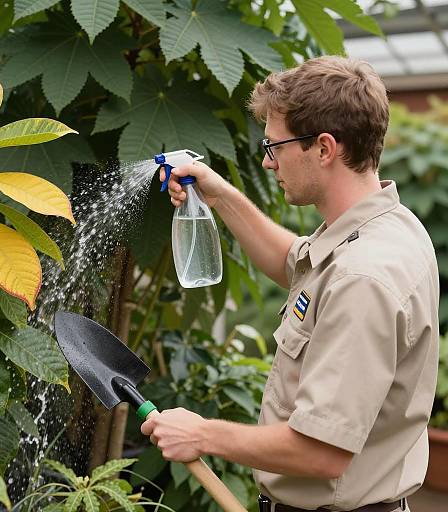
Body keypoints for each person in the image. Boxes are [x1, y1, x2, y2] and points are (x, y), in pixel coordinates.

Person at [142, 56, 439, 512]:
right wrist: (217, 191)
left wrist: (201, 432)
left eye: (275, 146)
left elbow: (323, 452)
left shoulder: (364, 278)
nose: (265, 161)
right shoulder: (384, 227)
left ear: (323, 148)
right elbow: (292, 264)